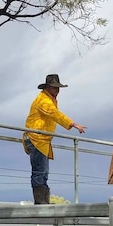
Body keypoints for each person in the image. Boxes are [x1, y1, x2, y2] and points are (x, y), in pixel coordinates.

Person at [23, 74, 86, 204]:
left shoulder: (49, 99)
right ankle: (40, 202)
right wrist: (73, 124)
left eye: (58, 88)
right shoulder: (44, 100)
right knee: (39, 171)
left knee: (43, 172)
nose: (57, 91)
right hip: (36, 138)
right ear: (47, 87)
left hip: (42, 140)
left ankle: (43, 200)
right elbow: (55, 114)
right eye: (54, 88)